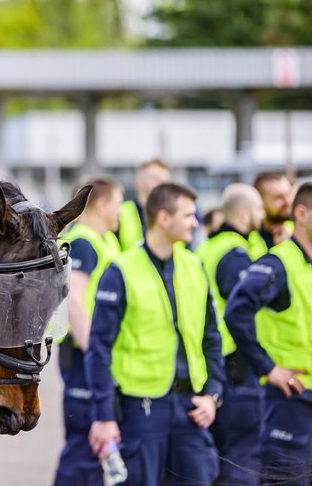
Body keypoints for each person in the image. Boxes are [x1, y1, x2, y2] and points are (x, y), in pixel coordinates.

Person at [86, 182, 225, 486]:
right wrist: (104, 416)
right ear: (164, 218)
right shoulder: (120, 271)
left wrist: (213, 394)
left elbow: (212, 338)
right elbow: (99, 349)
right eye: (188, 215)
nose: (196, 222)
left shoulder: (194, 266)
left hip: (191, 407)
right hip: (142, 409)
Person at [224, 182, 312, 486]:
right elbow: (236, 312)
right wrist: (269, 368)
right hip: (295, 401)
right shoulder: (278, 263)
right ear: (301, 214)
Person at [54, 177, 123, 486]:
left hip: (91, 356)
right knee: (85, 450)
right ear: (103, 203)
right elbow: (74, 302)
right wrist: (95, 354)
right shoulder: (83, 241)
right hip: (85, 357)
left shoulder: (103, 240)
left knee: (97, 455)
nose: (121, 212)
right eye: (119, 203)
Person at [195, 183, 266, 485]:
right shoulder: (235, 253)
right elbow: (245, 310)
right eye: (259, 209)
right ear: (245, 213)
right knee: (241, 457)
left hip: (211, 362)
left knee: (219, 455)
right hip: (235, 363)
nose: (262, 216)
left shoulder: (208, 247)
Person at [117, 159, 171, 251]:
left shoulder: (173, 214)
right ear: (138, 182)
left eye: (164, 179)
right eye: (155, 178)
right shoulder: (120, 212)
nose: (161, 183)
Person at [250, 171, 294, 256]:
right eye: (279, 197)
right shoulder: (249, 240)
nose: (288, 201)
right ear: (260, 201)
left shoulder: (301, 231)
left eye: (288, 194)